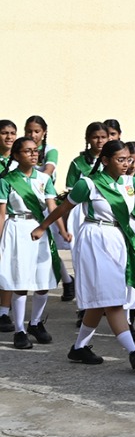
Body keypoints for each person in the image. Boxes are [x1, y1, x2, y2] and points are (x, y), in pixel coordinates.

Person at [33, 141, 135, 368]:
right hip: (95, 239)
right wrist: (43, 227)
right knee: (112, 298)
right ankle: (133, 351)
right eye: (120, 160)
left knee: (100, 300)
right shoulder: (90, 184)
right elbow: (64, 208)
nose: (126, 164)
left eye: (128, 160)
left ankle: (79, 348)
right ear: (105, 160)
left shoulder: (130, 182)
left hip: (118, 239)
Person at [0, 137, 69, 348]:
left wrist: (63, 231)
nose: (33, 154)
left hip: (39, 229)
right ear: (16, 155)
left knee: (43, 281)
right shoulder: (7, 180)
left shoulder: (44, 179)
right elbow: (1, 213)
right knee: (20, 282)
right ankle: (19, 329)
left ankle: (36, 323)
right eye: (27, 151)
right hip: (17, 229)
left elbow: (52, 207)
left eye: (35, 150)